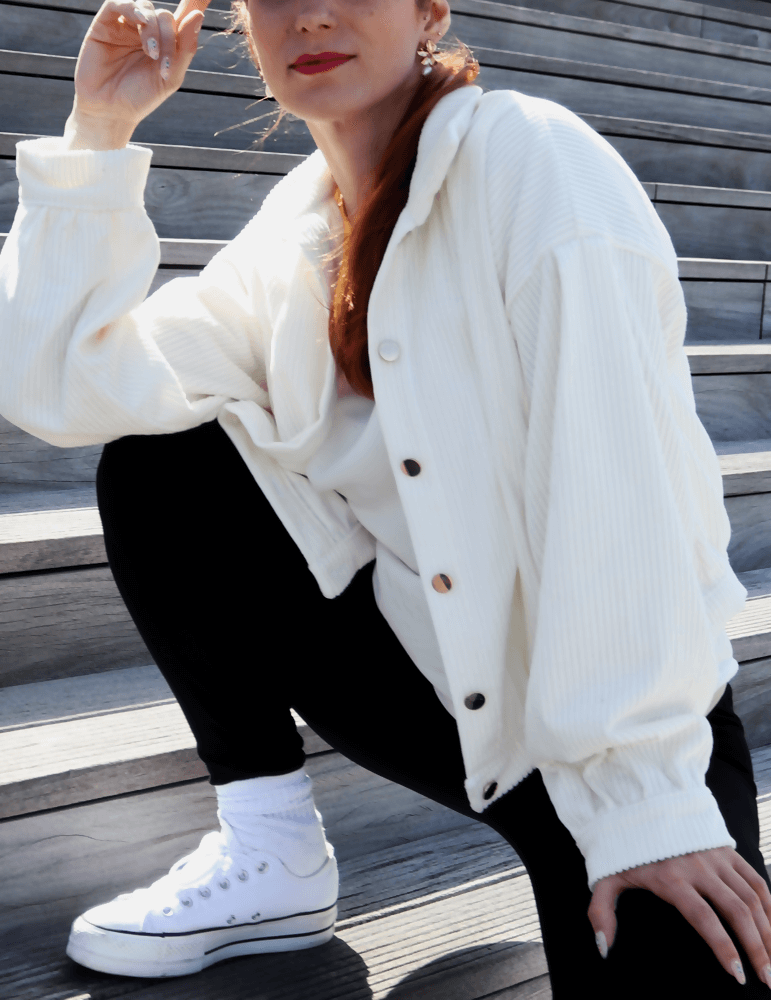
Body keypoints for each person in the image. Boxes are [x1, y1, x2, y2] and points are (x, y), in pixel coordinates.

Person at [1, 0, 770, 993]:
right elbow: (70, 386)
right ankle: (271, 850)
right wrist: (98, 130)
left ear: (428, 12)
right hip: (444, 698)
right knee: (164, 461)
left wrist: (646, 803)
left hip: (627, 733)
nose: (311, 13)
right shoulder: (294, 233)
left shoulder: (534, 162)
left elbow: (622, 486)